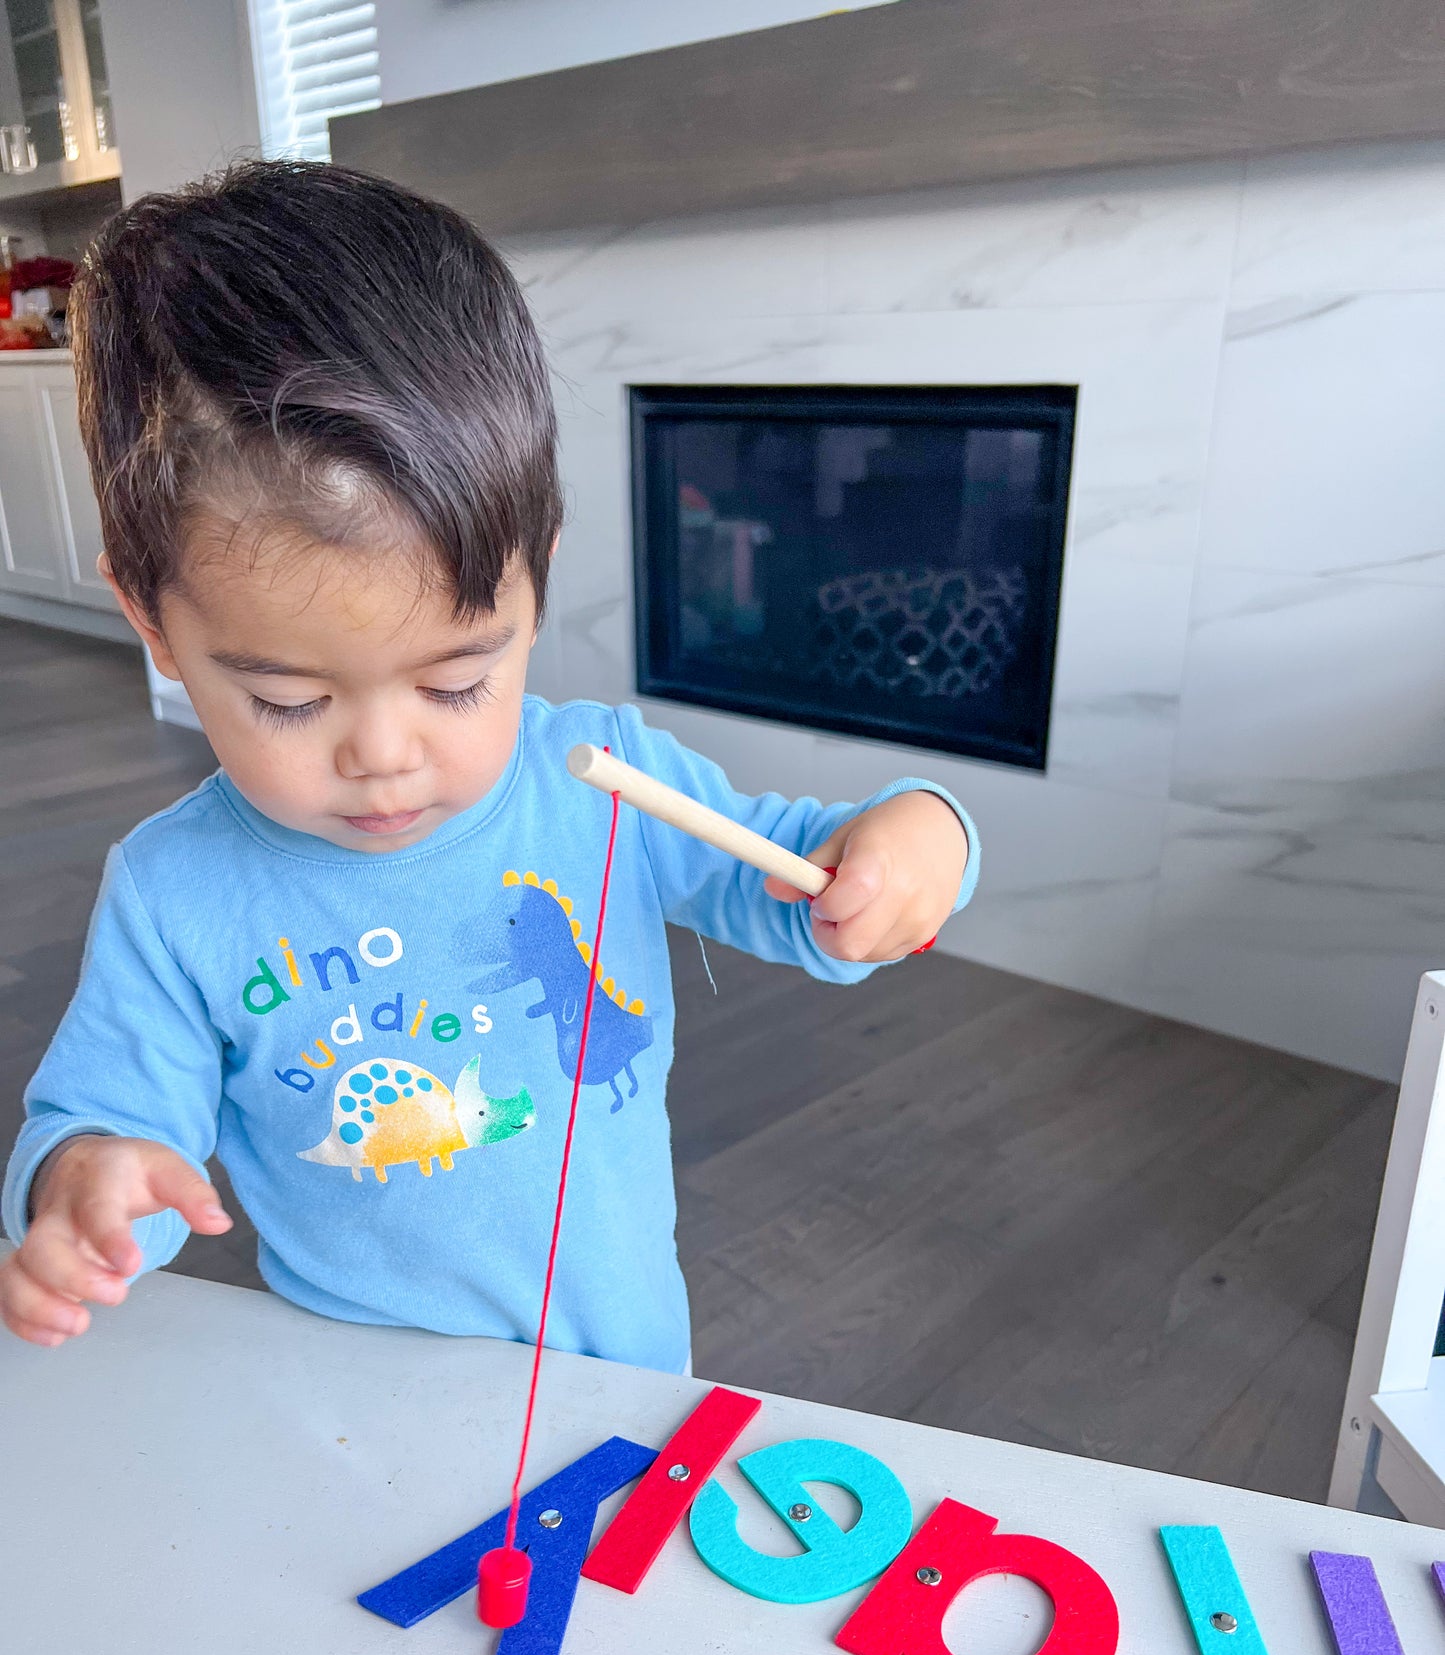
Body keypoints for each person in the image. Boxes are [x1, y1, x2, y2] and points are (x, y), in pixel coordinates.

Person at [0, 161, 977, 1372]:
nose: (384, 755)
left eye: (458, 680)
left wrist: (913, 834)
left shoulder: (601, 779)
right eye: (286, 700)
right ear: (151, 621)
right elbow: (103, 1117)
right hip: (351, 1382)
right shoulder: (173, 889)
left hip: (619, 1362)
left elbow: (794, 876)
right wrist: (88, 1186)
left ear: (534, 577)